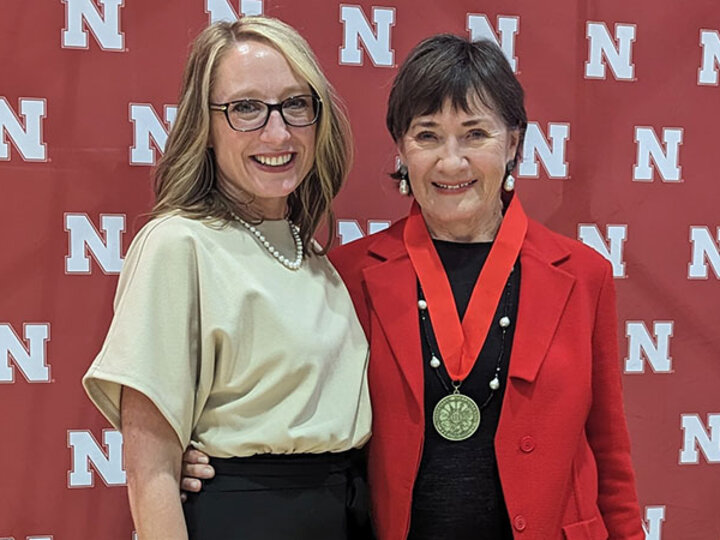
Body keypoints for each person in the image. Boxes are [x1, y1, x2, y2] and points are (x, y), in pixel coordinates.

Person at [182, 34, 644, 539]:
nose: (451, 162)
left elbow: (610, 455)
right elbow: (302, 413)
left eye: (475, 135)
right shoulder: (348, 274)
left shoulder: (582, 275)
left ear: (512, 143)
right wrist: (211, 460)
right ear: (401, 147)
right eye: (427, 136)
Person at [82, 17, 371, 540]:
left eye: (295, 105)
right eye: (245, 108)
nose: (278, 132)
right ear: (205, 127)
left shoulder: (315, 258)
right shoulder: (177, 245)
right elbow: (151, 474)